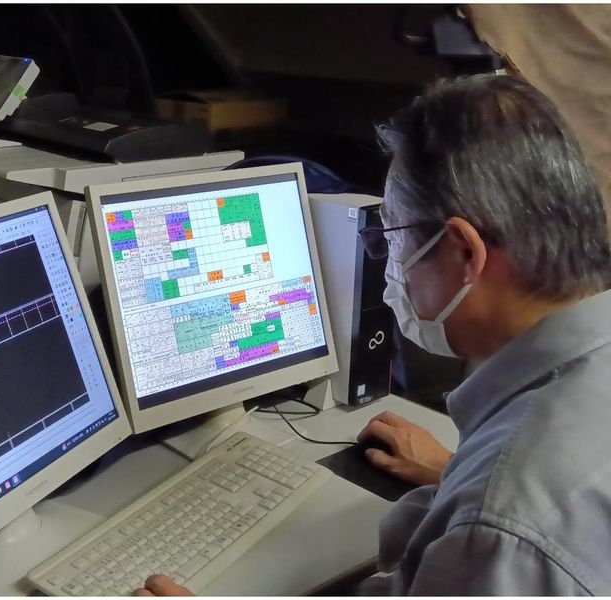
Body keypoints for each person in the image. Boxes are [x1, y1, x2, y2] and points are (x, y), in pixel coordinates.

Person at [133, 74, 611, 596]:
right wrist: (456, 475)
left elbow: (524, 524)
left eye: (393, 235)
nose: (390, 263)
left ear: (464, 252)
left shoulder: (506, 522)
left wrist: (483, 502)